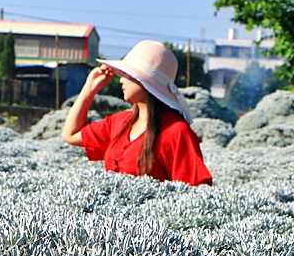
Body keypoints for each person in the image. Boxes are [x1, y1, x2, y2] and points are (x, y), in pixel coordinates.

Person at [62, 40, 213, 186]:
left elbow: (197, 189)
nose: (121, 80)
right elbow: (70, 134)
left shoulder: (176, 132)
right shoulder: (119, 122)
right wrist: (89, 89)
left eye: (127, 74)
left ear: (147, 82)